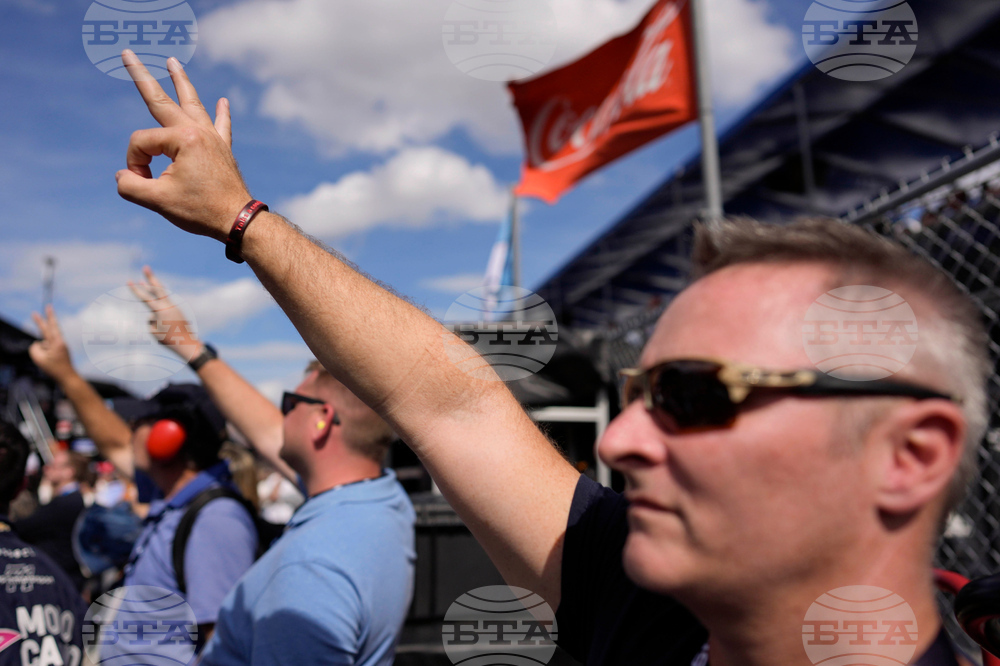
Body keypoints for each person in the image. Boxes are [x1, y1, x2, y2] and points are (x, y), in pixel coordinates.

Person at [114, 52, 986, 665]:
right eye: (639, 392)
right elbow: (444, 397)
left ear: (907, 457)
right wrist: (241, 218)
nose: (620, 441)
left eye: (691, 394)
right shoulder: (654, 609)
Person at [124, 267, 415, 666]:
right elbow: (266, 431)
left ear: (321, 421)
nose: (280, 417)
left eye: (290, 404)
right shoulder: (378, 501)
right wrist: (188, 346)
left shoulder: (311, 570)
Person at [27, 307, 257, 651]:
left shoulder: (215, 519)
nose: (129, 432)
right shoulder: (174, 498)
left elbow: (222, 647)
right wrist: (66, 374)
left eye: (138, 423)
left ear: (167, 437)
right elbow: (114, 442)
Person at [0, 421, 87, 666]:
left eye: (57, 465)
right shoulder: (62, 589)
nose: (49, 468)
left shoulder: (66, 505)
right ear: (21, 487)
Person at [13, 448, 94, 591]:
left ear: (69, 472)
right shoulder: (71, 499)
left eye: (53, 466)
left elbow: (24, 528)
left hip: (60, 579)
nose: (46, 469)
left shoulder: (66, 503)